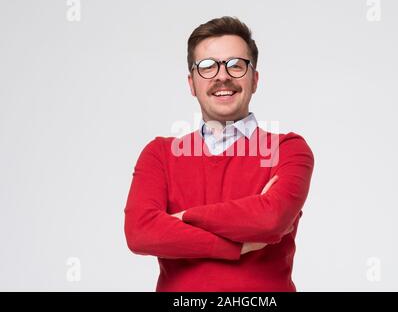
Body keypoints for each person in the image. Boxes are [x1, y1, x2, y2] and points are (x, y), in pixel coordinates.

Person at [124, 16, 314, 292]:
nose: (222, 76)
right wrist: (237, 246)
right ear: (192, 84)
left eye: (236, 66)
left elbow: (271, 220)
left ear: (255, 79)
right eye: (207, 67)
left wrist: (180, 218)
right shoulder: (160, 154)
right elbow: (140, 232)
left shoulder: (287, 150)